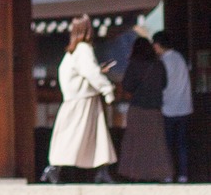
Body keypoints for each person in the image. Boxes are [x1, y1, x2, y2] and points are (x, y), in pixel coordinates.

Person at [41, 16, 117, 185]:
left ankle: (100, 170)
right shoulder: (83, 49)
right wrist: (107, 89)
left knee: (84, 136)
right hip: (83, 101)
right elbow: (91, 72)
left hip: (75, 100)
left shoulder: (72, 51)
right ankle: (56, 168)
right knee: (78, 136)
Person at [117, 35, 173, 183]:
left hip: (138, 108)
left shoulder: (134, 64)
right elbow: (164, 84)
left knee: (136, 143)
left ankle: (135, 173)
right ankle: (160, 173)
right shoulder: (159, 65)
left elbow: (127, 86)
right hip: (155, 109)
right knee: (156, 143)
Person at [153, 31, 193, 183]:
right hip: (184, 106)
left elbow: (160, 86)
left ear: (157, 45)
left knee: (167, 144)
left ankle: (168, 175)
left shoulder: (162, 62)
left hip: (168, 108)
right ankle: (183, 175)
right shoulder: (180, 58)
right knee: (182, 144)